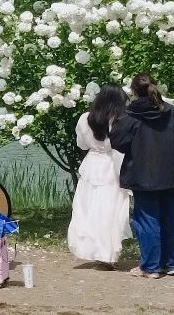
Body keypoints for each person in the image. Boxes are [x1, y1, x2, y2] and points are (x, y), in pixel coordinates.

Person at [111, 74, 174, 279]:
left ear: (134, 92)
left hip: (143, 175)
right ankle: (170, 264)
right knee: (169, 218)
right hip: (171, 174)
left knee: (147, 220)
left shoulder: (129, 116)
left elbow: (117, 142)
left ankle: (150, 267)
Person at [68, 83, 132, 268]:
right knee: (110, 212)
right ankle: (108, 252)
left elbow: (81, 144)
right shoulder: (121, 119)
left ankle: (92, 249)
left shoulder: (85, 118)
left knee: (87, 210)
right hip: (113, 165)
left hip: (92, 165)